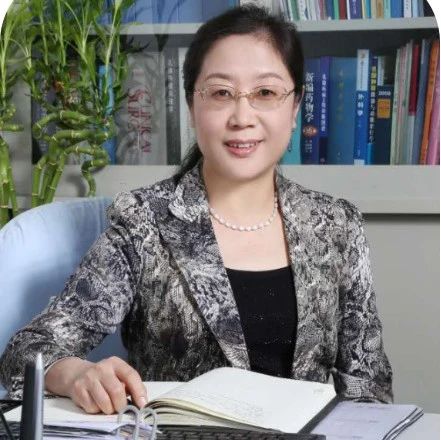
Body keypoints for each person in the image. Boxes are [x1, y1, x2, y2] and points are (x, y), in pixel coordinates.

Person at [0, 5, 393, 415]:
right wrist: (77, 373)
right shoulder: (143, 221)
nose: (242, 117)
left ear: (294, 108)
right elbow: (28, 350)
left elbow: (369, 388)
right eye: (221, 93)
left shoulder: (337, 225)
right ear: (191, 106)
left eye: (265, 93)